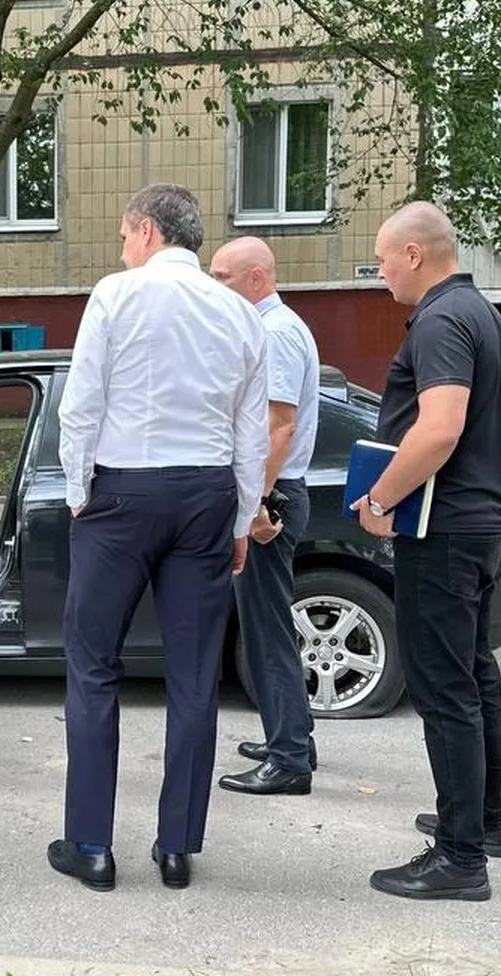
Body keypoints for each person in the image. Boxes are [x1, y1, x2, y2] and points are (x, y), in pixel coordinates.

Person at [48, 183, 269, 892]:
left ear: (146, 230)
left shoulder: (116, 295)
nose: (121, 246)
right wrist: (240, 518)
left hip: (122, 491)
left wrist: (80, 493)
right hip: (205, 494)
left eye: (123, 232)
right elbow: (251, 430)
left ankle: (90, 846)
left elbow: (82, 401)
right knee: (194, 674)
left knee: (92, 665)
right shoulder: (239, 312)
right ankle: (177, 847)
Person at [351, 201, 501, 902]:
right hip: (476, 526)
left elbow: (439, 429)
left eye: (383, 259)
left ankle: (458, 859)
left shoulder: (443, 320)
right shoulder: (480, 312)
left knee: (445, 690)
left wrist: (381, 499)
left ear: (414, 254)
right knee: (474, 676)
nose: (381, 272)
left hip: (442, 529)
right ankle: (482, 822)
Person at [208, 236, 320, 796]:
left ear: (257, 279)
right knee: (271, 623)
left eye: (223, 276)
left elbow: (280, 427)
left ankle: (289, 760)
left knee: (266, 632)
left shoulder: (274, 334)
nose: (213, 285)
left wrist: (254, 503)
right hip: (278, 492)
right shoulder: (275, 327)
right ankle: (294, 733)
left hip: (272, 498)